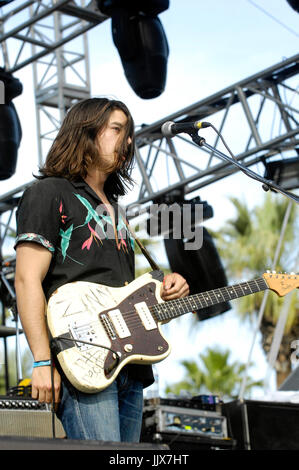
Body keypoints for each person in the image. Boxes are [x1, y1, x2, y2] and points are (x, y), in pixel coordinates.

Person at [14, 97, 189, 443]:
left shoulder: (117, 211)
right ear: (85, 132)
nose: (127, 141)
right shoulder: (49, 193)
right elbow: (26, 279)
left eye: (129, 134)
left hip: (132, 365)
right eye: (117, 129)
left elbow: (123, 295)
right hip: (82, 357)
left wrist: (166, 287)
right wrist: (41, 361)